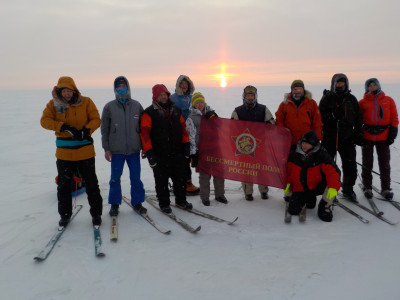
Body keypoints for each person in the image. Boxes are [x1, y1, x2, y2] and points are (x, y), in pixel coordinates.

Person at [40, 76, 103, 227]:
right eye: (64, 91)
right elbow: (44, 121)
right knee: (63, 186)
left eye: (70, 90)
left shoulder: (86, 102)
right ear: (59, 91)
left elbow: (96, 119)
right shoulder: (53, 105)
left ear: (74, 90)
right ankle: (65, 215)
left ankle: (96, 214)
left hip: (85, 152)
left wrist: (87, 130)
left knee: (92, 184)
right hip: (64, 154)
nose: (67, 94)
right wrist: (62, 127)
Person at [140, 84, 193, 213]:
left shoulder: (176, 109)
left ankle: (181, 201)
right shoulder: (148, 113)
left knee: (180, 178)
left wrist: (186, 145)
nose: (163, 97)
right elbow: (144, 135)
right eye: (160, 95)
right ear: (155, 97)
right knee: (161, 181)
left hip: (177, 151)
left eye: (165, 94)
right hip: (159, 153)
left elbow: (183, 129)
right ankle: (164, 203)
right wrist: (149, 152)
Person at [101, 76, 146, 217]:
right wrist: (106, 148)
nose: (121, 88)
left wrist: (145, 147)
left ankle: (137, 203)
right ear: (115, 89)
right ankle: (115, 204)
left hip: (133, 150)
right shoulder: (109, 107)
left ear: (128, 87)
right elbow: (105, 130)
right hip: (116, 151)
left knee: (136, 178)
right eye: (119, 86)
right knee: (115, 178)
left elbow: (144, 129)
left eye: (123, 86)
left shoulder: (137, 106)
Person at [319, 73, 363, 202]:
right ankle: (328, 189)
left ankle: (348, 189)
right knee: (328, 166)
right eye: (338, 83)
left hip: (347, 138)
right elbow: (319, 116)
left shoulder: (351, 99)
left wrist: (358, 132)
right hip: (329, 137)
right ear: (333, 84)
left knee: (350, 166)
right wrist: (331, 116)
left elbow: (358, 117)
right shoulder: (327, 98)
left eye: (342, 83)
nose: (340, 85)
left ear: (346, 84)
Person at [284, 131, 341, 222]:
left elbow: (334, 172)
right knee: (293, 210)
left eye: (307, 143)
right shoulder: (294, 154)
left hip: (317, 186)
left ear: (314, 145)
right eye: (303, 142)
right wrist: (288, 187)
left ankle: (325, 206)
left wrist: (333, 188)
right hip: (301, 188)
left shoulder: (322, 154)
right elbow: (288, 172)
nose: (304, 145)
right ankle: (309, 199)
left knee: (331, 186)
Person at [231, 85, 275, 201]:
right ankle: (248, 192)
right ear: (244, 96)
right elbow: (231, 128)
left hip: (261, 146)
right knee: (246, 170)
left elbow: (272, 122)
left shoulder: (263, 109)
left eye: (252, 95)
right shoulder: (237, 111)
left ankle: (264, 191)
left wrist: (270, 125)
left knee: (262, 170)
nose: (250, 98)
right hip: (244, 147)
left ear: (255, 96)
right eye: (248, 95)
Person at [359, 78, 399, 200]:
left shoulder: (388, 100)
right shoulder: (362, 102)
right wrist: (359, 134)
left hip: (384, 136)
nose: (372, 87)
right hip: (367, 136)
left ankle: (386, 188)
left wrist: (393, 132)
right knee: (367, 163)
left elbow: (394, 117)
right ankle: (367, 187)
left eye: (374, 85)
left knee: (385, 164)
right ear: (367, 88)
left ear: (378, 86)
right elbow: (358, 120)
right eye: (369, 85)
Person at [186, 92, 227, 206]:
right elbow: (191, 137)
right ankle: (205, 196)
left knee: (219, 173)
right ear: (194, 104)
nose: (200, 104)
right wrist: (193, 154)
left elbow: (220, 128)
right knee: (204, 175)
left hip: (215, 148)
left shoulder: (211, 113)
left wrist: (215, 117)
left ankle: (220, 194)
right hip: (202, 150)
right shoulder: (191, 118)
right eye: (197, 103)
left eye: (201, 102)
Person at [170, 75, 200, 194]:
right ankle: (178, 183)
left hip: (190, 134)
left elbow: (199, 108)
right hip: (176, 133)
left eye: (186, 84)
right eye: (182, 84)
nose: (184, 86)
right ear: (178, 85)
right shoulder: (173, 98)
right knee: (179, 160)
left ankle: (187, 182)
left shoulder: (192, 98)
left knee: (187, 159)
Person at [275, 80, 323, 149]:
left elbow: (317, 123)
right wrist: (283, 131)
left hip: (307, 143)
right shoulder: (284, 104)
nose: (297, 91)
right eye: (295, 89)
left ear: (303, 90)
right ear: (291, 91)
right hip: (289, 142)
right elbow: (278, 120)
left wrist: (316, 139)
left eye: (300, 89)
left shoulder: (311, 103)